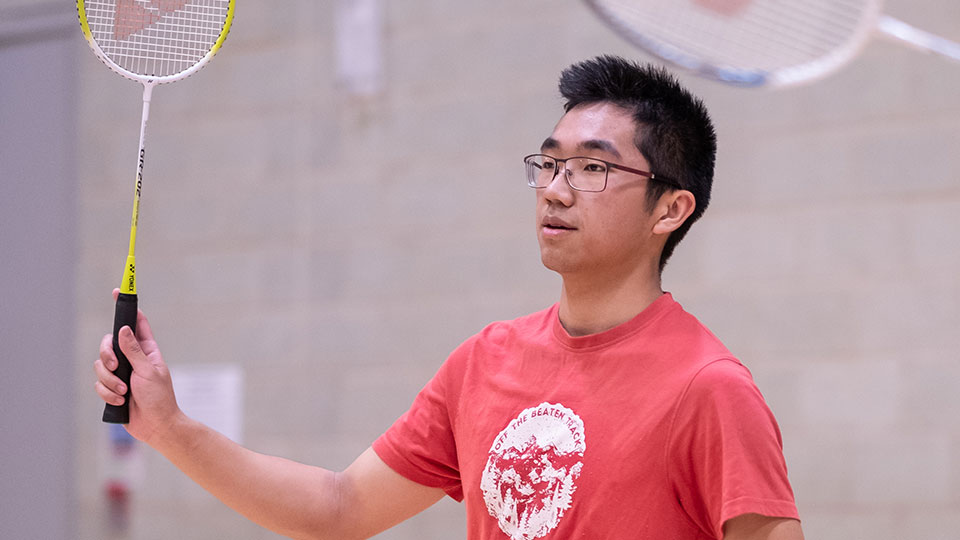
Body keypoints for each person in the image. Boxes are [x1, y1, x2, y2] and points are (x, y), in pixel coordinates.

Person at [95, 55, 803, 539]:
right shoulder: (484, 362)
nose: (555, 189)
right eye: (549, 163)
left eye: (592, 167)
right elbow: (339, 510)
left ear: (670, 210)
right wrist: (168, 429)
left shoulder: (708, 390)